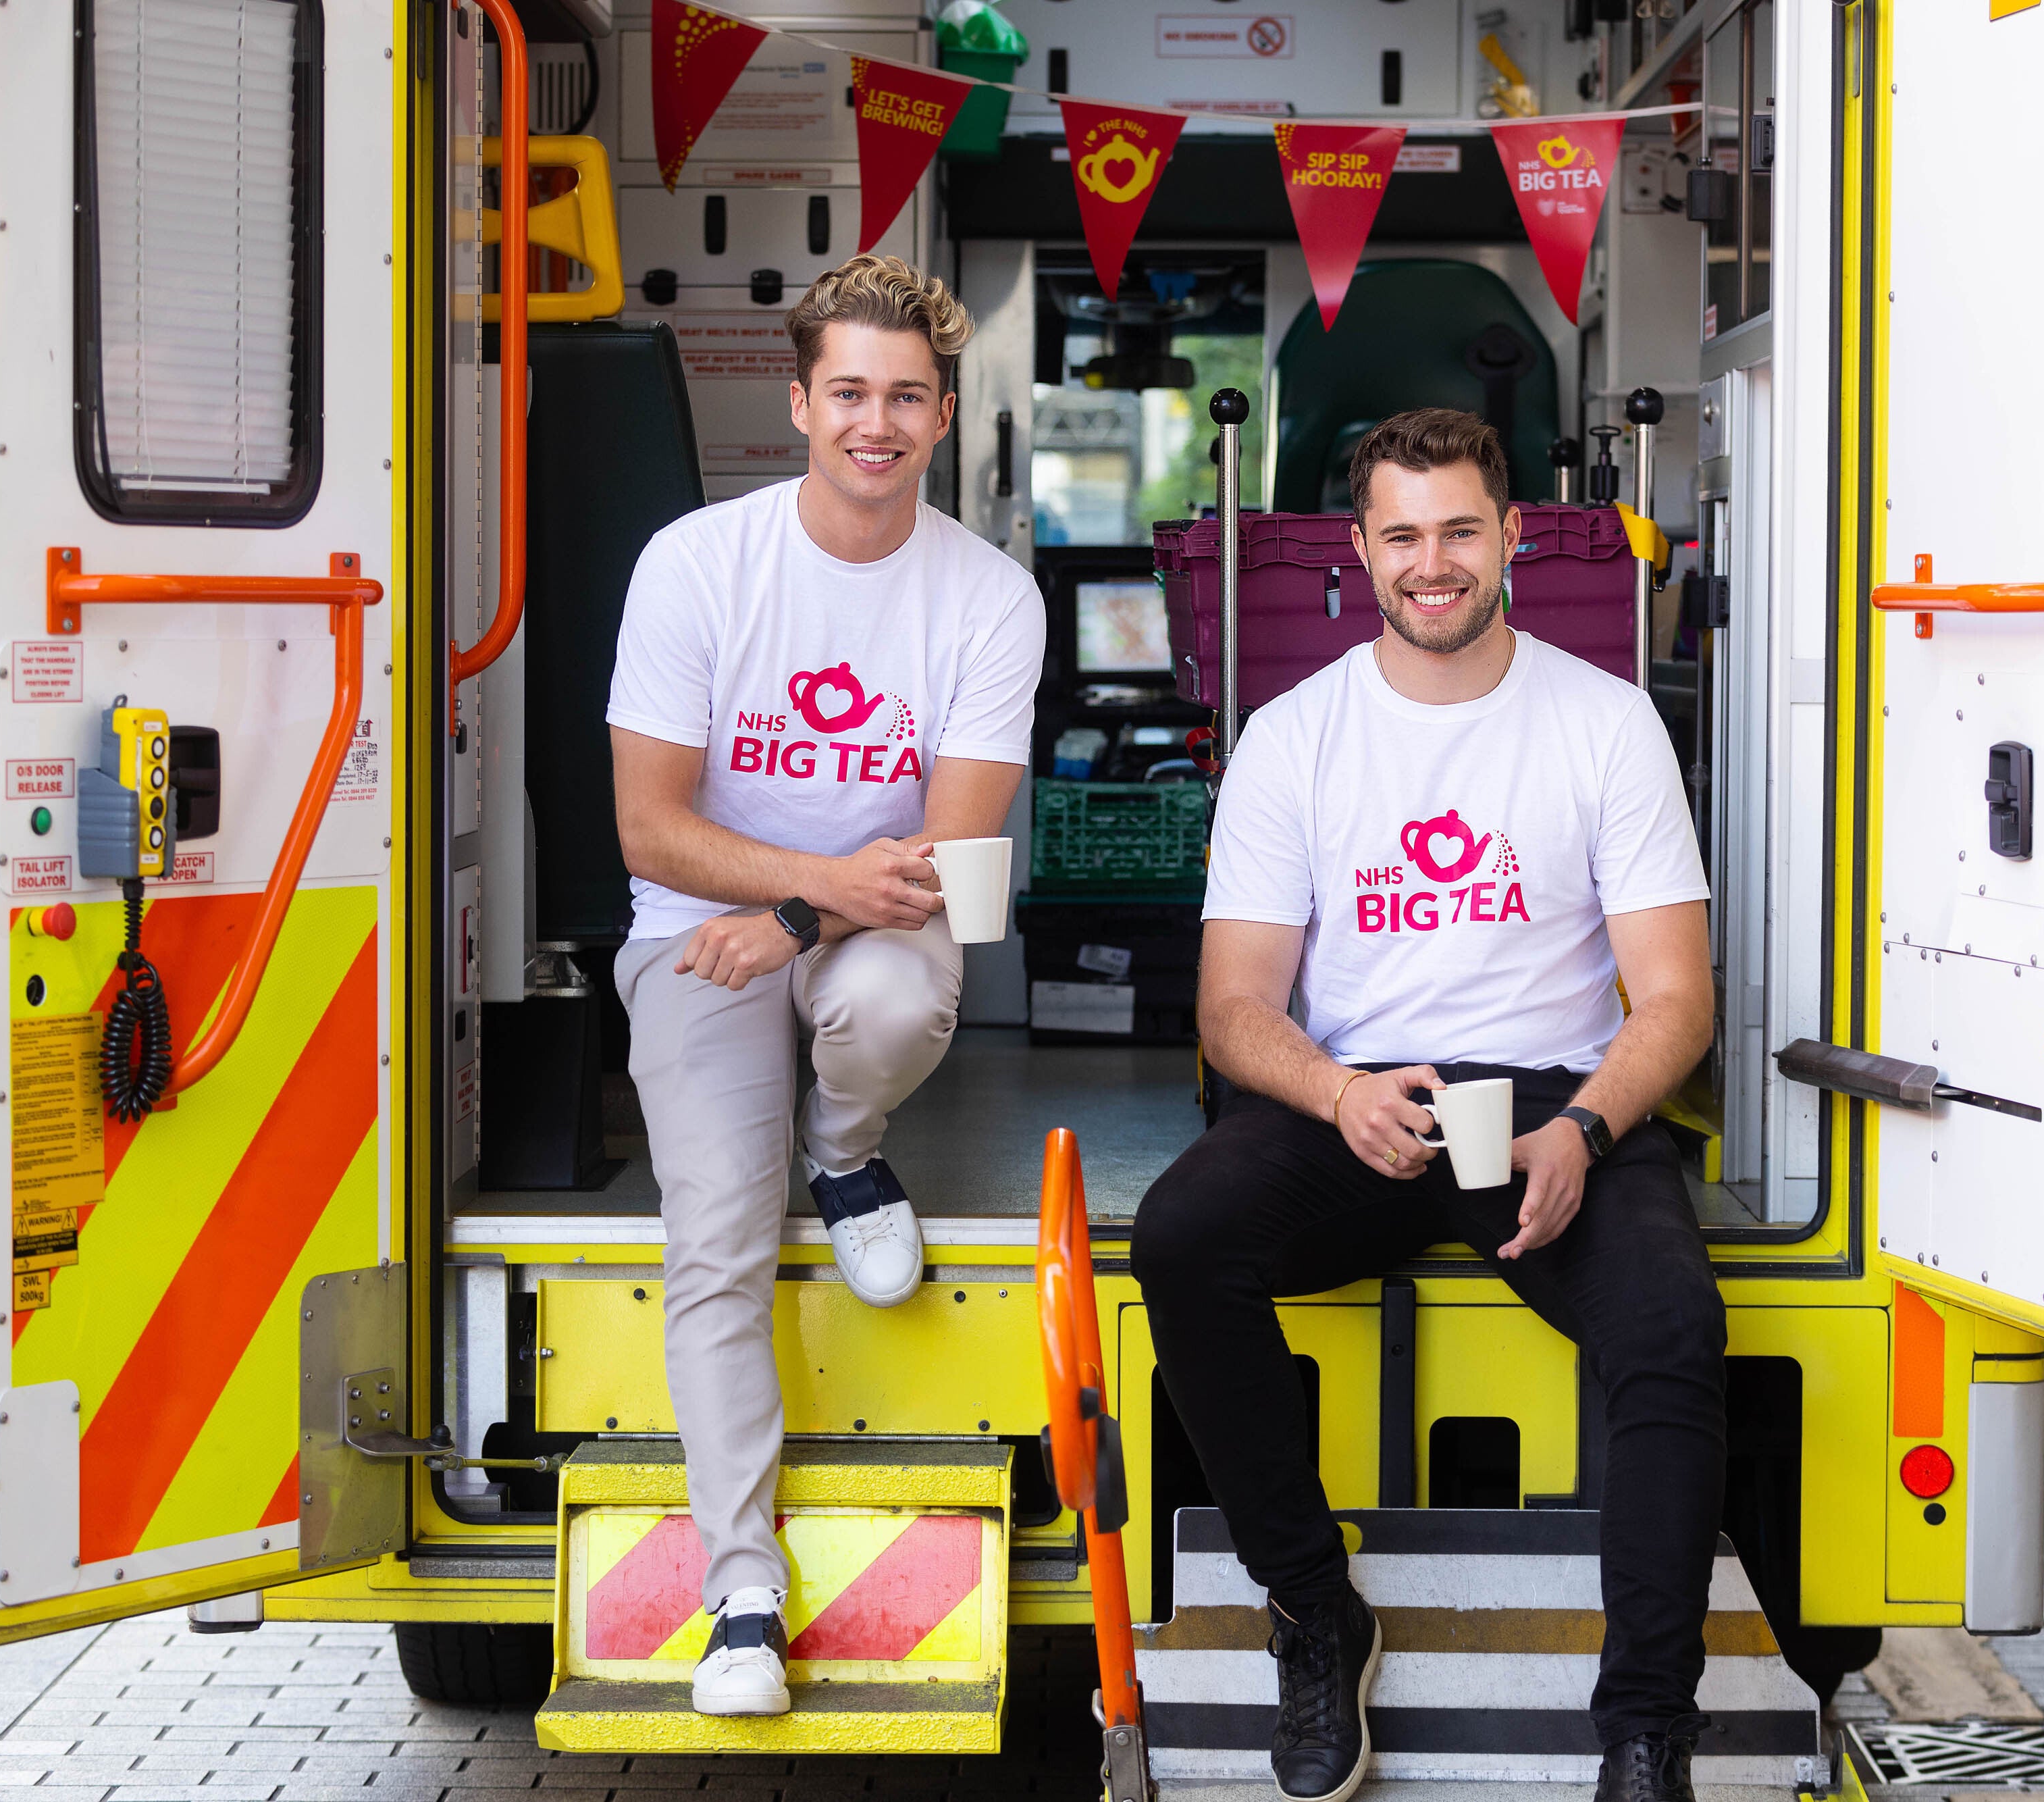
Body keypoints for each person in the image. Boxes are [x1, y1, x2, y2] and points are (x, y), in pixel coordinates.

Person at [1132, 409, 1725, 1802]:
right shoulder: (1295, 735)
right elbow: (1231, 1007)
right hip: (1359, 1096)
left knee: (1672, 1331)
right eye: (1401, 534)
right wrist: (1335, 1094)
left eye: (1460, 529)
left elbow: (1674, 999)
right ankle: (1313, 1608)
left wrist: (1581, 1129)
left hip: (1553, 1108)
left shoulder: (1602, 720)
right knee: (1180, 1237)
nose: (1432, 562)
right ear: (1357, 552)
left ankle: (1644, 1731)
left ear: (1512, 535)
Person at [605, 255, 1043, 1716]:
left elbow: (957, 843)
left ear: (939, 416)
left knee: (897, 1003)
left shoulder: (988, 597)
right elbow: (648, 825)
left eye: (905, 396)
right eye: (848, 391)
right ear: (799, 401)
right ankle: (742, 1584)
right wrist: (772, 904)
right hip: (696, 930)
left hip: (845, 922)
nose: (876, 421)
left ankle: (845, 1158)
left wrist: (798, 910)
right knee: (714, 1238)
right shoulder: (694, 563)